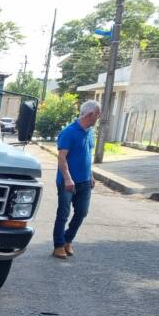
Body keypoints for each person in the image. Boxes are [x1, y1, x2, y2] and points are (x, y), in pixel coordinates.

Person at [53, 100, 101, 259]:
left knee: (82, 212)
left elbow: (87, 156)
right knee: (63, 213)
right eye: (98, 115)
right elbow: (61, 158)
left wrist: (91, 175)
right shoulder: (69, 132)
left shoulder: (90, 132)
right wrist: (67, 178)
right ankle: (59, 245)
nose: (99, 118)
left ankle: (68, 240)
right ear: (90, 114)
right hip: (67, 182)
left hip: (85, 182)